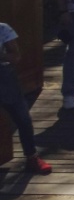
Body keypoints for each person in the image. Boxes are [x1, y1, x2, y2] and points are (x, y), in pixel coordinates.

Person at [0, 23, 51, 173]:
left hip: (4, 76)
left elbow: (16, 56)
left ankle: (32, 157)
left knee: (23, 118)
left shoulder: (3, 28)